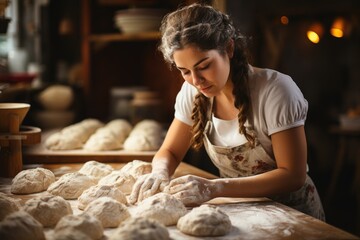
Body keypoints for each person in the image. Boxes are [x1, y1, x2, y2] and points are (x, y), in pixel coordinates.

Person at [129, 3, 325, 221]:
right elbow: (171, 152)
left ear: (229, 48)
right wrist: (159, 172)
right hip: (239, 210)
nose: (196, 80)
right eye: (184, 71)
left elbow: (293, 175)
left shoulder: (275, 90)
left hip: (293, 214)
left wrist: (215, 188)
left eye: (203, 66)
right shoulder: (192, 92)